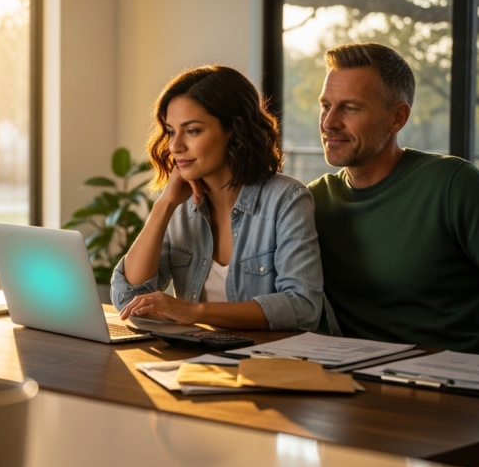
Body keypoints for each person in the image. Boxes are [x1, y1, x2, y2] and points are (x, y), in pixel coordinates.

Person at [308, 42, 479, 364]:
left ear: (397, 117)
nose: (329, 122)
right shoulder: (314, 202)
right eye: (325, 106)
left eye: (350, 108)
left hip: (472, 391)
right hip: (370, 390)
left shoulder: (453, 185)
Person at [111, 65, 323, 331]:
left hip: (266, 362)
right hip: (196, 357)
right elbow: (128, 297)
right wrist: (164, 205)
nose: (175, 146)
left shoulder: (286, 199)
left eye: (192, 131)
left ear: (234, 129)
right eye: (171, 131)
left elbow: (303, 308)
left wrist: (194, 311)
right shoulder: (179, 206)